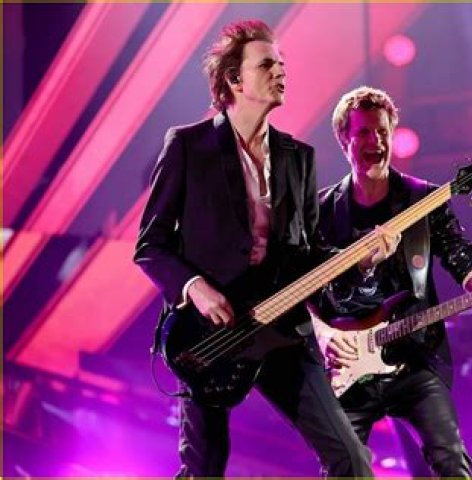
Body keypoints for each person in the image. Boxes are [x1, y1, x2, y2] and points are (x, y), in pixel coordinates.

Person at [133, 20, 396, 478]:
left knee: (352, 459)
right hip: (208, 335)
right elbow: (150, 246)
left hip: (282, 330)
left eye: (282, 64)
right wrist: (195, 288)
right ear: (234, 79)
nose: (281, 71)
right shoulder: (189, 146)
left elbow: (310, 254)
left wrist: (360, 262)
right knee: (204, 468)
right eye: (267, 64)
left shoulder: (299, 157)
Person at [308, 86, 472, 478]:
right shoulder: (321, 211)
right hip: (348, 369)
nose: (376, 141)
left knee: (451, 460)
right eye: (364, 132)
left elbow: (461, 256)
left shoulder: (423, 200)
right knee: (343, 468)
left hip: (416, 359)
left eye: (383, 131)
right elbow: (303, 289)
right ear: (343, 140)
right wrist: (322, 334)